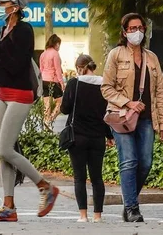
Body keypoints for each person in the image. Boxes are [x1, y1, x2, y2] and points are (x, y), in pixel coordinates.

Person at [0, 0, 59, 222]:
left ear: (15, 7)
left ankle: (45, 186)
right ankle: (8, 207)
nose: (0, 7)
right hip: (3, 92)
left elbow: (15, 65)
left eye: (4, 3)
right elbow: (3, 62)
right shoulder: (5, 29)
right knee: (2, 152)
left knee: (5, 149)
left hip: (20, 93)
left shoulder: (24, 31)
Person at [101, 13, 163, 222]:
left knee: (146, 162)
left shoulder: (152, 58)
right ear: (124, 32)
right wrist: (128, 102)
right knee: (129, 161)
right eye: (132, 28)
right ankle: (132, 207)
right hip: (122, 117)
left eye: (140, 27)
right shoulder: (116, 54)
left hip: (147, 119)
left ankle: (129, 200)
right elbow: (106, 88)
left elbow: (160, 92)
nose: (137, 31)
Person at [60, 54, 114, 223]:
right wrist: (109, 136)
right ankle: (98, 215)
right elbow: (106, 114)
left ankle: (83, 216)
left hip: (77, 137)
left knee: (79, 177)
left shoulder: (74, 83)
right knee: (97, 177)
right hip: (97, 137)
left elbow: (65, 109)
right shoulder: (104, 84)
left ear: (79, 67)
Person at [40, 34, 65, 130]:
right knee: (61, 102)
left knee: (47, 104)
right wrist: (62, 83)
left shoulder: (43, 54)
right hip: (53, 80)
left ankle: (46, 123)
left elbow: (41, 69)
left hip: (44, 80)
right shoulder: (55, 53)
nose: (59, 46)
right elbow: (58, 70)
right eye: (59, 44)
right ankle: (50, 119)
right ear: (56, 44)